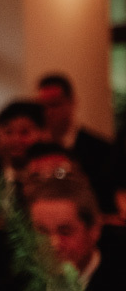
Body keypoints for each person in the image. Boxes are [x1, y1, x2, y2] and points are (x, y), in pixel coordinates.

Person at [37, 73, 119, 214]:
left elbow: (107, 199)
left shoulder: (101, 149)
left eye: (54, 105)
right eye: (43, 106)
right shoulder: (37, 149)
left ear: (72, 103)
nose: (48, 112)